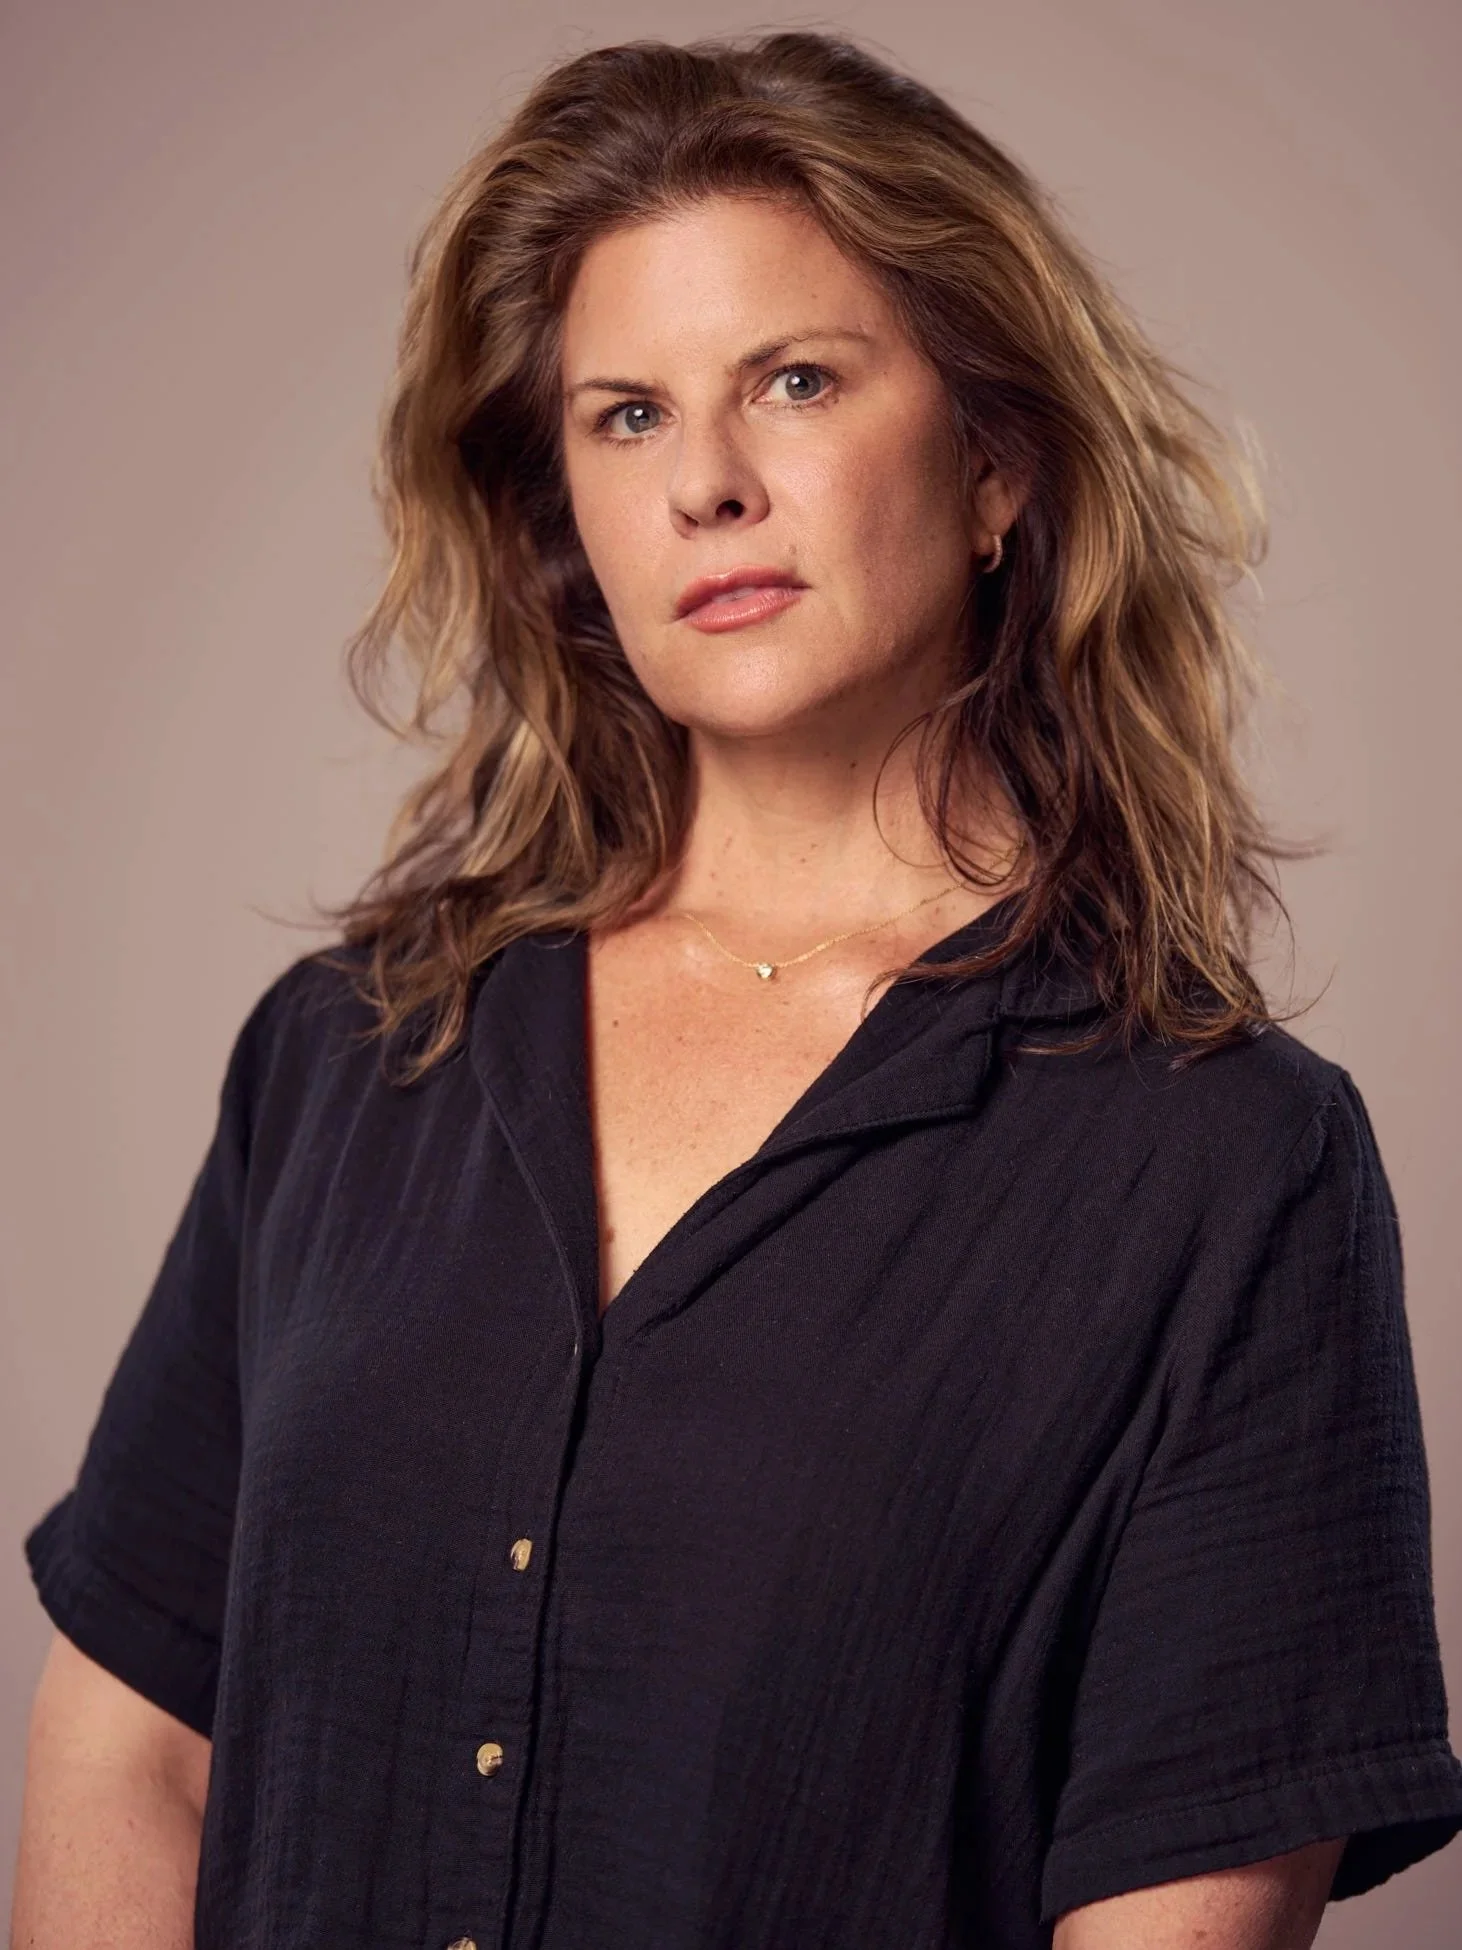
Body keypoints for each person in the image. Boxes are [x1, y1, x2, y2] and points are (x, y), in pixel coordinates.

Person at [11, 29, 1462, 1950]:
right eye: (623, 415)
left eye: (792, 380)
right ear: (569, 519)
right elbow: (135, 1746)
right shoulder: (358, 1053)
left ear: (995, 464)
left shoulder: (1222, 1164)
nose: (704, 481)